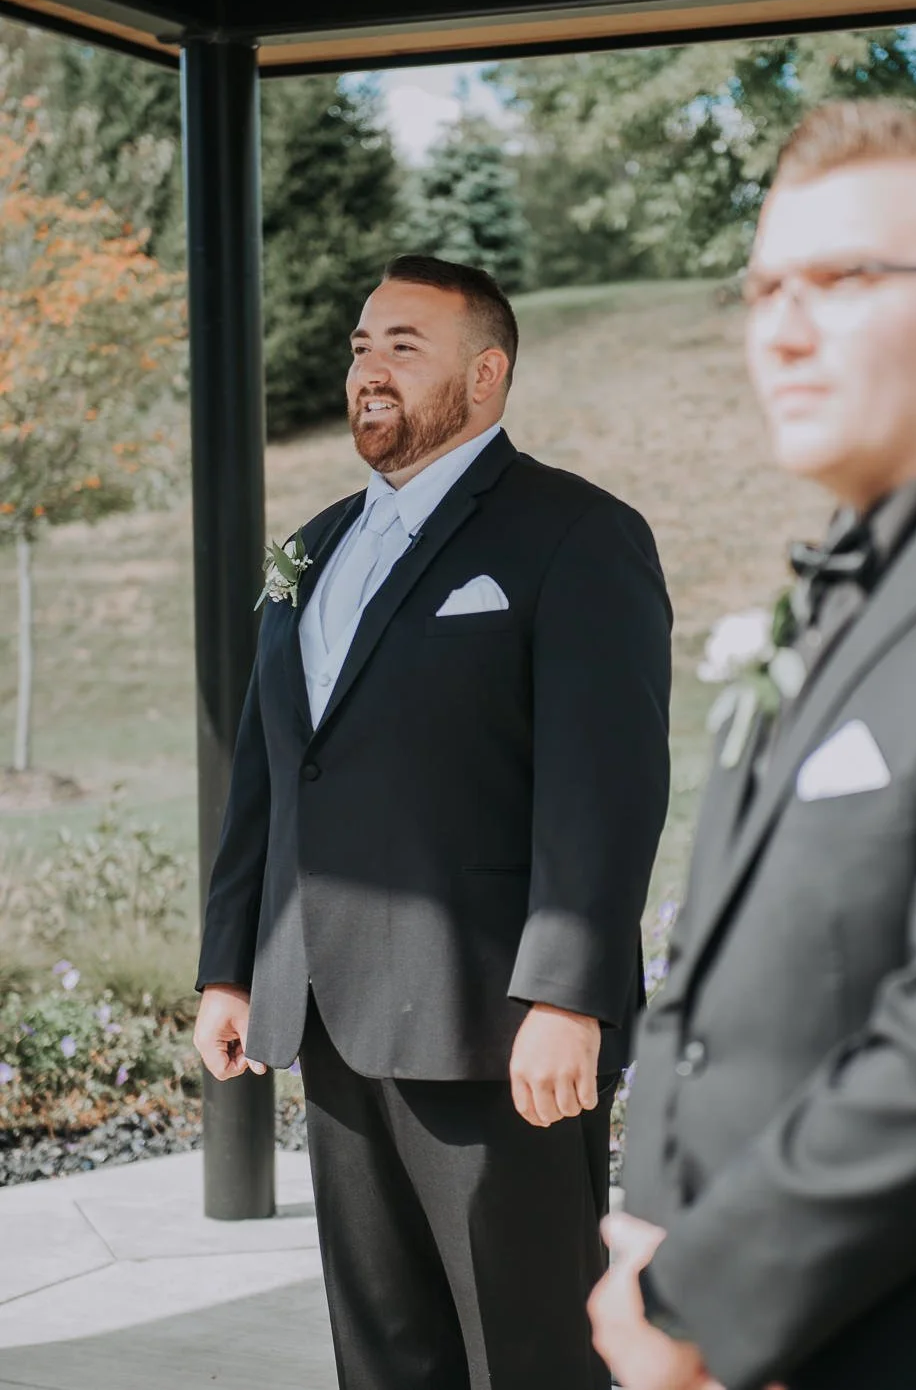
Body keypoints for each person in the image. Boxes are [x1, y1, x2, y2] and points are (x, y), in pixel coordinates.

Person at [589, 101, 916, 1390]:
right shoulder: (844, 594)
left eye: (845, 279)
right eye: (763, 289)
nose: (782, 333)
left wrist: (696, 1294)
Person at [193, 254, 672, 1390]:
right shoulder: (309, 551)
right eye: (362, 346)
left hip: (497, 1034)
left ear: (487, 373)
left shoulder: (576, 535)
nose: (369, 369)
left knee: (531, 1354)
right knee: (386, 1355)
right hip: (328, 1014)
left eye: (405, 347)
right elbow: (272, 776)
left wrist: (569, 994)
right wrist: (231, 967)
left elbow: (604, 786)